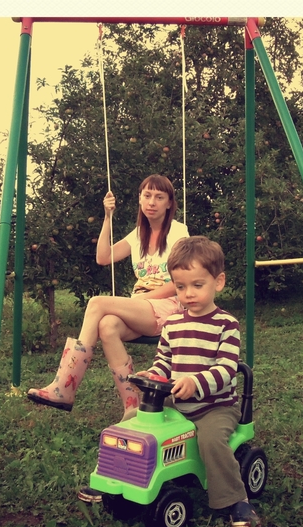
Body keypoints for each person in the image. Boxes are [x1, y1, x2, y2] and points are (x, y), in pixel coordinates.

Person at [80, 236, 260, 527]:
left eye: (197, 285)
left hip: (214, 407)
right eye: (180, 287)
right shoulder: (173, 324)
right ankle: (113, 477)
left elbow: (227, 369)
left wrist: (195, 382)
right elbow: (164, 361)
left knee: (211, 441)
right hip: (176, 401)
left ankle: (235, 499)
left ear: (218, 282)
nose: (188, 294)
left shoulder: (226, 325)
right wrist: (152, 374)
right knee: (130, 420)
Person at [27, 174, 189, 421]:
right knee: (107, 325)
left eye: (159, 197)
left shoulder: (178, 232)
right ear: (139, 199)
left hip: (168, 307)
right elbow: (103, 257)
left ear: (169, 203)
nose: (152, 202)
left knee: (97, 302)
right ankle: (132, 405)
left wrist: (139, 301)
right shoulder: (138, 235)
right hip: (142, 307)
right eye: (147, 195)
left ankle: (64, 386)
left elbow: (179, 283)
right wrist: (107, 217)